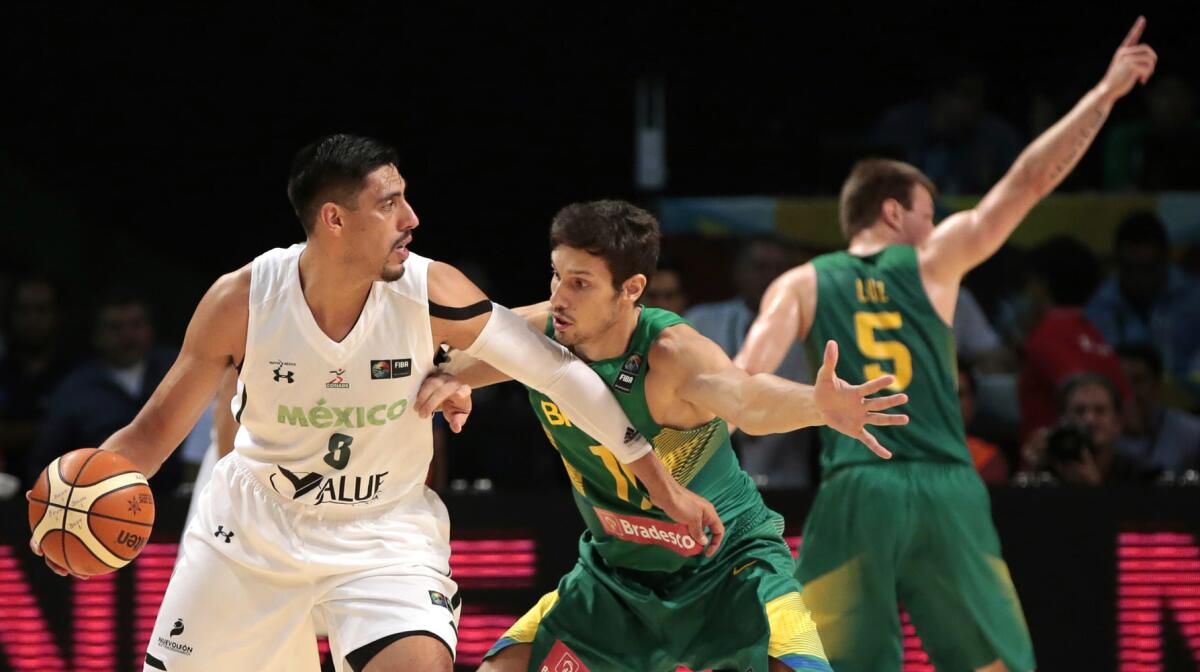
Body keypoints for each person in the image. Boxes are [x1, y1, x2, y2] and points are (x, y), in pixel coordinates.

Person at [27, 134, 720, 672]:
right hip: (253, 530)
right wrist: (75, 508)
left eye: (406, 197)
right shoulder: (242, 299)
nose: (411, 218)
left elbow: (558, 372)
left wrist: (656, 481)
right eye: (389, 203)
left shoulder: (431, 290)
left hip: (383, 532)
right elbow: (151, 436)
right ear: (333, 218)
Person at [736, 18, 1156, 672]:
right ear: (894, 212)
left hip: (857, 488)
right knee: (992, 664)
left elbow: (741, 389)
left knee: (817, 663)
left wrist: (806, 401)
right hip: (944, 489)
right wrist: (1104, 93)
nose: (935, 222)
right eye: (929, 210)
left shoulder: (800, 282)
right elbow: (1028, 183)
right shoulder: (932, 262)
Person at [431, 200, 908, 672]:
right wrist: (447, 378)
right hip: (618, 575)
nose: (559, 296)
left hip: (728, 567)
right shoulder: (541, 332)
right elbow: (438, 363)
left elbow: (747, 398)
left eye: (580, 283)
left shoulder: (672, 354)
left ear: (632, 289)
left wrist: (814, 404)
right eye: (556, 275)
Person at [687, 237, 816, 488]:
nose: (770, 276)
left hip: (789, 476)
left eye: (780, 269)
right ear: (739, 272)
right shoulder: (700, 320)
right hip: (711, 474)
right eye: (760, 266)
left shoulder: (811, 331)